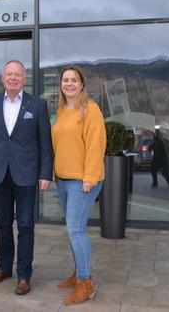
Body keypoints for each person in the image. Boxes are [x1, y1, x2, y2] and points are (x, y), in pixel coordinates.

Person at [0, 60, 53, 296]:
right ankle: (4, 267)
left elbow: (45, 144)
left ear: (24, 78)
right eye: (9, 74)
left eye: (18, 75)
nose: (13, 78)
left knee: (25, 225)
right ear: (2, 78)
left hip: (27, 174)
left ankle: (24, 274)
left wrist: (44, 173)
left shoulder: (38, 105)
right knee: (2, 224)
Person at [51, 66, 106, 306]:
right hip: (63, 180)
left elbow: (96, 145)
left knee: (76, 230)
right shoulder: (62, 110)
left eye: (74, 80)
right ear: (61, 84)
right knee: (72, 230)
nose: (69, 83)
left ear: (82, 84)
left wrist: (89, 178)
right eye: (66, 80)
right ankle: (78, 273)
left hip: (82, 181)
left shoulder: (90, 110)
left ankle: (86, 284)